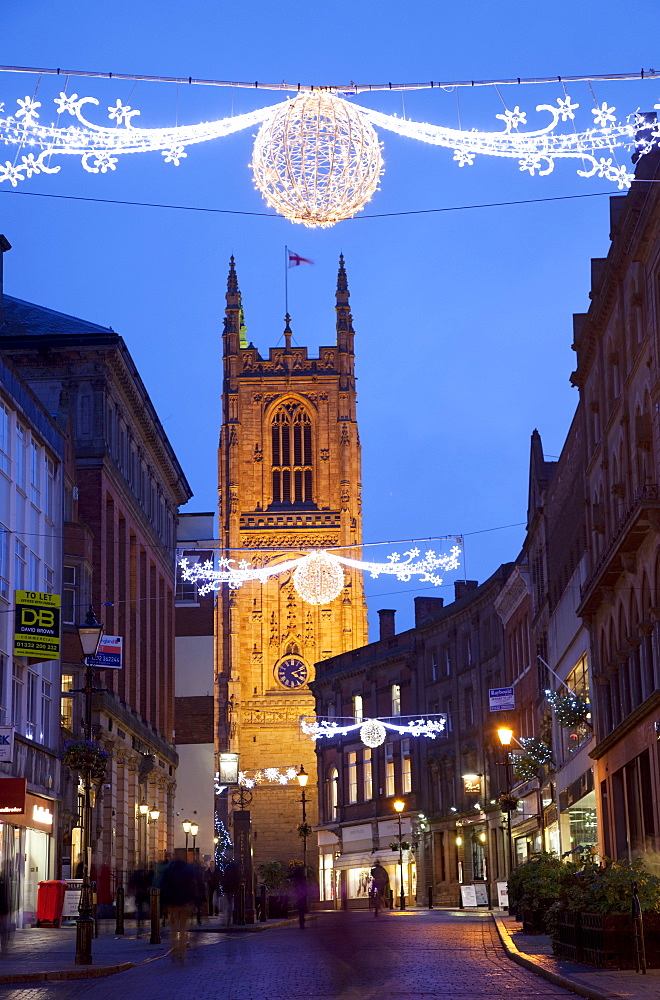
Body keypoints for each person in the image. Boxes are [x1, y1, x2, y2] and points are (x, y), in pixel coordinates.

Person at [159, 858, 197, 963]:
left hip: (172, 903)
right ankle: (182, 953)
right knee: (183, 929)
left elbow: (164, 887)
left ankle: (174, 950)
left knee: (173, 929)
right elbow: (192, 887)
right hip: (185, 903)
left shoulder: (169, 871)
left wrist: (164, 903)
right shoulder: (188, 872)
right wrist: (192, 901)